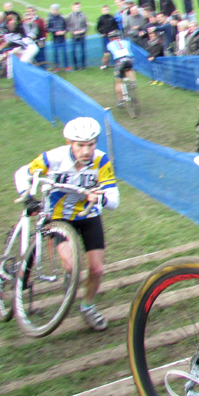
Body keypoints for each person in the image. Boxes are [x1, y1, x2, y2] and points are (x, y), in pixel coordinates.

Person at [15, 117, 119, 331]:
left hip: (88, 216)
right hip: (60, 218)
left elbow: (114, 200)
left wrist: (100, 198)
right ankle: (69, 277)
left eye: (91, 144)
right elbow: (21, 174)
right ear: (69, 142)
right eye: (80, 145)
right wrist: (27, 196)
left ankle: (88, 306)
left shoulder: (101, 161)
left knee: (97, 269)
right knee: (71, 265)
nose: (86, 151)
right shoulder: (53, 158)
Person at [106, 31, 135, 105]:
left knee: (118, 81)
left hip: (119, 62)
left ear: (110, 38)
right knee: (129, 69)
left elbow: (106, 57)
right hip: (129, 59)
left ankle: (120, 100)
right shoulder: (126, 42)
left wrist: (104, 65)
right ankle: (132, 81)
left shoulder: (109, 44)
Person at [46, 4, 68, 71]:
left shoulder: (61, 17)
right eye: (53, 10)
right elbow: (47, 28)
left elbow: (65, 26)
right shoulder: (49, 18)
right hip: (55, 37)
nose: (54, 11)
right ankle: (56, 67)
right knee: (55, 52)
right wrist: (55, 32)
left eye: (56, 10)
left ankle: (67, 66)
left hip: (62, 37)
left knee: (64, 51)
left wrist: (64, 31)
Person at [67, 2, 87, 71]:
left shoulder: (83, 15)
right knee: (73, 51)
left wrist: (82, 31)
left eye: (78, 7)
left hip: (82, 36)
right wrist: (73, 31)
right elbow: (68, 26)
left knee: (82, 51)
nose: (77, 8)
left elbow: (86, 26)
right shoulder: (70, 16)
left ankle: (83, 66)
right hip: (74, 36)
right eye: (76, 7)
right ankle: (75, 67)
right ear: (72, 8)